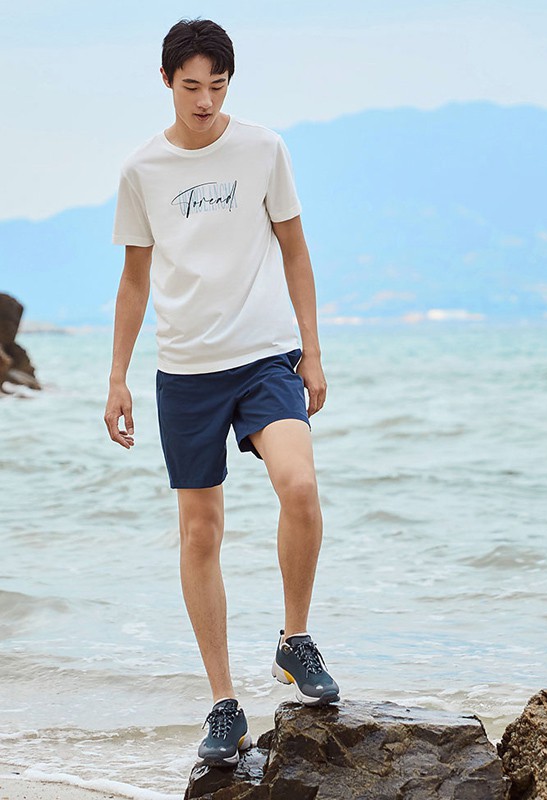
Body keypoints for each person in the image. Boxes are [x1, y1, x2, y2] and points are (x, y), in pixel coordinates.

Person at [103, 17, 340, 769]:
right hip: (186, 372)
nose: (205, 101)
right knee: (200, 533)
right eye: (191, 86)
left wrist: (312, 352)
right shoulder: (142, 170)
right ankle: (224, 706)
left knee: (299, 486)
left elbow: (295, 250)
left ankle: (294, 640)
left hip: (266, 356)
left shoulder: (264, 149)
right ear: (167, 82)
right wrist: (117, 377)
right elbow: (134, 278)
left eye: (218, 85)